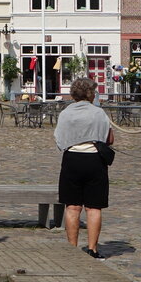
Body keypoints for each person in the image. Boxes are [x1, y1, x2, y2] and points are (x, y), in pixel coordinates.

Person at [54, 77, 114, 259]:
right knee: (94, 208)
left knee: (72, 207)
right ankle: (93, 249)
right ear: (91, 93)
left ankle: (72, 249)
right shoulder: (99, 113)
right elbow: (109, 139)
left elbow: (59, 139)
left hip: (72, 159)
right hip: (94, 159)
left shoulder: (65, 113)